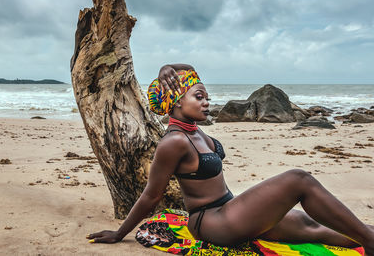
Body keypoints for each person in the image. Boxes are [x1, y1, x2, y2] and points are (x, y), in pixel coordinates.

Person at [86, 64, 374, 254]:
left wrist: (167, 68)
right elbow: (151, 195)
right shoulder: (173, 142)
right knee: (298, 180)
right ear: (176, 102)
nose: (206, 102)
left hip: (232, 209)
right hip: (212, 222)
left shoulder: (195, 131)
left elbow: (188, 71)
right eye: (199, 96)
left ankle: (368, 240)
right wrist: (119, 233)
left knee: (315, 227)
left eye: (206, 96)